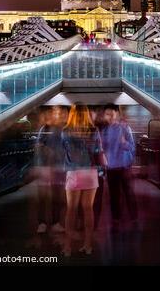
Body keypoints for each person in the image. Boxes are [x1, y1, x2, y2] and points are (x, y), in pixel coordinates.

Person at [61, 103, 105, 256]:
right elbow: (98, 151)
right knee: (88, 209)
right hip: (90, 172)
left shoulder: (65, 131)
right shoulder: (94, 131)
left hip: (73, 173)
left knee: (71, 210)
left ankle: (67, 247)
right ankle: (87, 246)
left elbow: (64, 151)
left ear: (72, 114)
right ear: (86, 114)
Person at [100, 104, 137, 228]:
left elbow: (132, 148)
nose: (109, 117)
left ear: (117, 113)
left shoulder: (125, 128)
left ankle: (134, 218)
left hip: (124, 167)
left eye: (111, 114)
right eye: (107, 114)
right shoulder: (104, 131)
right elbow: (102, 149)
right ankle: (116, 219)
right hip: (111, 167)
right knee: (113, 195)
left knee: (128, 193)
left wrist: (124, 143)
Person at [33, 107, 66, 234]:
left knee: (56, 197)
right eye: (54, 112)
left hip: (58, 167)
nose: (56, 115)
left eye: (58, 113)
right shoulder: (45, 129)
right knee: (43, 197)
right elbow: (38, 146)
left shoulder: (62, 129)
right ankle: (42, 223)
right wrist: (46, 151)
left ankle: (55, 222)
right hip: (45, 168)